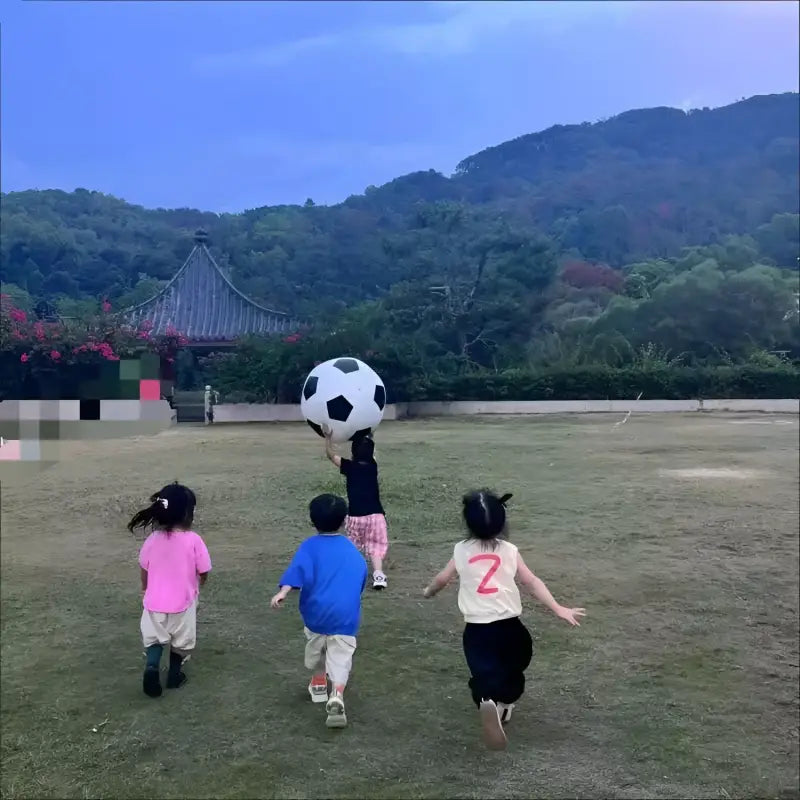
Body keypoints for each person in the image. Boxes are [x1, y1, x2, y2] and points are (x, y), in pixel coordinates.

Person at [422, 490, 586, 750]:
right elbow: (531, 581)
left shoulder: (461, 551)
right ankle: (504, 702)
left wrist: (429, 591)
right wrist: (558, 608)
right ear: (502, 521)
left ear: (468, 523)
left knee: (484, 671)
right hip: (511, 627)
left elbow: (443, 579)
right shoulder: (509, 550)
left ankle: (488, 701)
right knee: (514, 667)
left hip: (477, 630)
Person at [271, 494, 368, 728]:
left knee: (316, 645)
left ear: (312, 521)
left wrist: (283, 592)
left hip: (316, 613)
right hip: (345, 615)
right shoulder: (351, 549)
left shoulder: (309, 547)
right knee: (341, 654)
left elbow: (297, 572)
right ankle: (337, 693)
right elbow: (361, 577)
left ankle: (317, 683)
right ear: (344, 520)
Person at [128, 482, 212, 698]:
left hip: (154, 602)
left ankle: (152, 667)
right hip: (183, 602)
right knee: (181, 641)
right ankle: (174, 675)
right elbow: (203, 570)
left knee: (154, 639)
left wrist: (145, 588)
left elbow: (144, 567)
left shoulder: (152, 539)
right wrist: (200, 582)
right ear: (188, 514)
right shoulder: (194, 540)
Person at [323, 429, 389, 590]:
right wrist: (370, 431)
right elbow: (372, 452)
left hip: (355, 516)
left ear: (353, 452)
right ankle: (378, 575)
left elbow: (330, 455)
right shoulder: (373, 466)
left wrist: (328, 438)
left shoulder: (349, 466)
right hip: (375, 515)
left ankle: (349, 573)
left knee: (352, 546)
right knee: (376, 546)